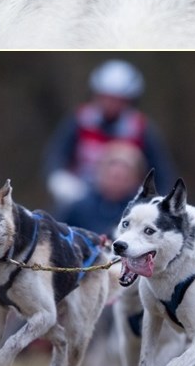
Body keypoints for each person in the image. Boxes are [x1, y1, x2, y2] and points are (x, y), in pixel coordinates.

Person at [44, 61, 174, 237]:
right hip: (84, 191)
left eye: (118, 99)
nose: (111, 104)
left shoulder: (141, 128)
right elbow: (57, 154)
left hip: (129, 198)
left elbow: (161, 170)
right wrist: (60, 179)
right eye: (106, 97)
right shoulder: (80, 121)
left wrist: (155, 201)